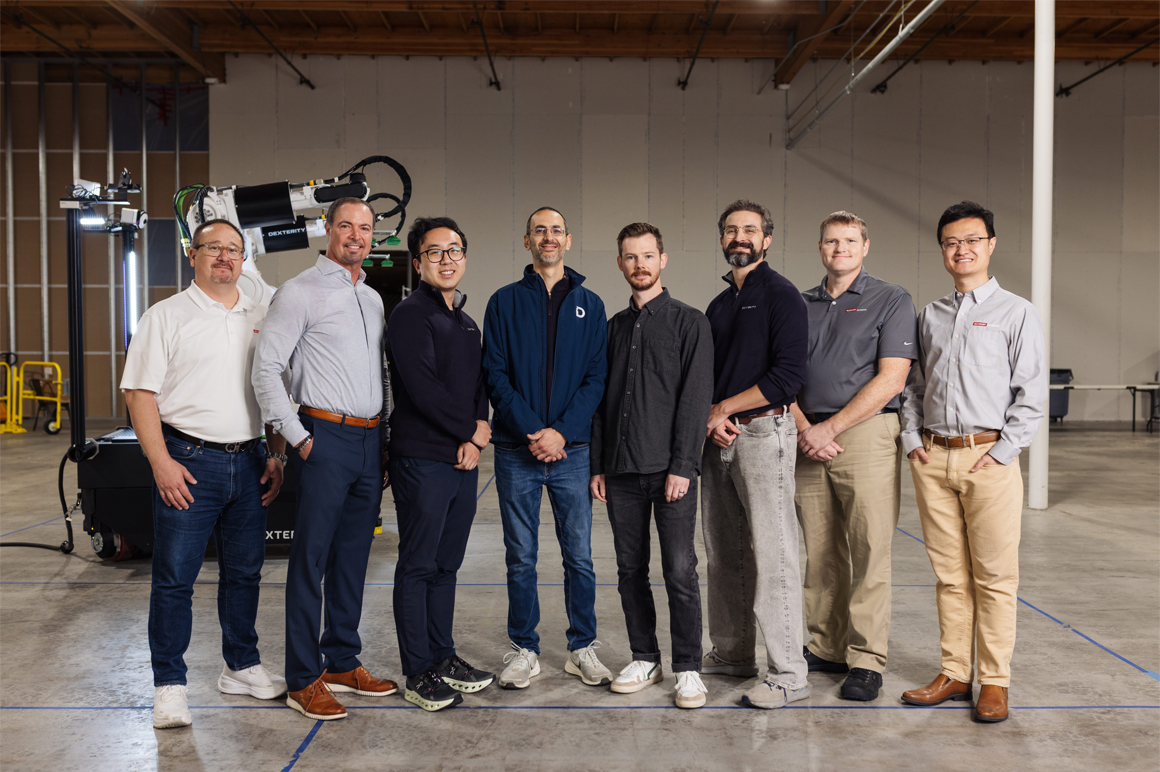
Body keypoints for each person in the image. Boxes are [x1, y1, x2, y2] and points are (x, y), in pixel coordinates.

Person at [122, 219, 287, 729]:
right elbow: (139, 394)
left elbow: (274, 388)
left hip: (251, 461)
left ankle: (240, 666)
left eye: (234, 249)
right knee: (175, 579)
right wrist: (161, 462)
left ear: (243, 259)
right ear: (192, 255)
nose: (224, 257)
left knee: (244, 574)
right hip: (189, 462)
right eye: (213, 247)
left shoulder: (262, 315)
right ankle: (169, 685)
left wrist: (276, 453)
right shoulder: (165, 316)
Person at [899, 201, 1047, 723]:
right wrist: (912, 439)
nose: (961, 249)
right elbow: (914, 385)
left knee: (995, 577)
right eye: (951, 242)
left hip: (989, 459)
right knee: (949, 577)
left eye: (972, 240)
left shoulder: (1017, 312)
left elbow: (1031, 394)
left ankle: (995, 681)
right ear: (943, 249)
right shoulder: (930, 315)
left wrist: (1003, 453)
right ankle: (955, 672)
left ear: (990, 245)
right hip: (933, 457)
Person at [253, 197, 396, 721]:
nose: (356, 235)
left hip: (368, 442)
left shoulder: (373, 298)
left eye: (365, 228)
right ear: (328, 230)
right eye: (346, 226)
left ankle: (342, 661)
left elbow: (377, 374)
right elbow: (266, 369)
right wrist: (299, 439)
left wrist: (383, 440)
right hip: (324, 437)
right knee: (310, 561)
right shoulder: (299, 292)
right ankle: (301, 678)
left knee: (353, 559)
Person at [790, 211, 916, 702]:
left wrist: (831, 427)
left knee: (868, 549)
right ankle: (827, 645)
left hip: (865, 433)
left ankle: (866, 659)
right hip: (806, 436)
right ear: (820, 248)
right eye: (830, 241)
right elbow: (782, 373)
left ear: (865, 247)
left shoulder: (891, 298)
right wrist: (806, 428)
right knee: (820, 551)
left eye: (848, 240)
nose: (839, 248)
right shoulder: (800, 304)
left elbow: (893, 378)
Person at [483, 206, 611, 689]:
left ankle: (581, 647)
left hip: (572, 452)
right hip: (516, 451)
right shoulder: (503, 302)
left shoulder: (591, 304)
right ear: (527, 241)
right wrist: (534, 430)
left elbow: (596, 378)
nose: (548, 237)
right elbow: (495, 374)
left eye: (556, 230)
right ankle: (525, 649)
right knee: (521, 556)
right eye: (540, 230)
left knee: (579, 556)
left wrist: (561, 432)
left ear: (568, 240)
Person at [590, 222, 714, 709]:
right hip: (621, 471)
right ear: (620, 263)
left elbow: (695, 400)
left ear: (662, 260)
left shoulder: (690, 323)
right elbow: (601, 403)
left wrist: (683, 465)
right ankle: (645, 657)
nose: (639, 265)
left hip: (670, 473)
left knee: (680, 570)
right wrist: (599, 465)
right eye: (630, 256)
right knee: (629, 570)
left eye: (647, 256)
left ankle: (688, 667)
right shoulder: (612, 329)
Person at [699, 199, 810, 710]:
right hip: (720, 439)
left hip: (765, 436)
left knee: (774, 553)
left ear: (766, 239)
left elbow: (786, 378)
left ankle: (788, 672)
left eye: (749, 229)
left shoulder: (782, 296)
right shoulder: (719, 306)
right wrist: (714, 418)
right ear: (722, 239)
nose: (739, 236)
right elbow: (708, 376)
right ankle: (732, 652)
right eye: (730, 229)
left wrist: (724, 408)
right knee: (724, 555)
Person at [386, 216, 495, 711]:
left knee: (446, 565)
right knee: (418, 565)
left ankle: (443, 656)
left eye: (454, 250)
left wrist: (476, 433)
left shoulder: (466, 322)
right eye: (435, 252)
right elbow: (423, 388)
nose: (446, 259)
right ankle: (418, 672)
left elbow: (478, 387)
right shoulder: (410, 316)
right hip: (422, 459)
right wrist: (469, 430)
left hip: (461, 460)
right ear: (418, 262)